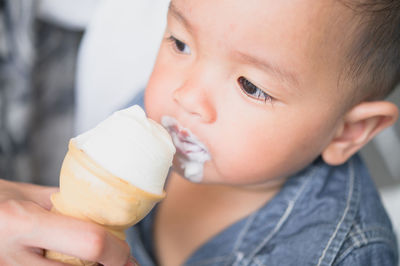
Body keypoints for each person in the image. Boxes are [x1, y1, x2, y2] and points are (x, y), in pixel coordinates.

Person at [1, 0, 399, 265]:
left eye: (251, 86)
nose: (185, 95)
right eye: (180, 43)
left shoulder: (343, 254)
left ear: (349, 132)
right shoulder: (149, 124)